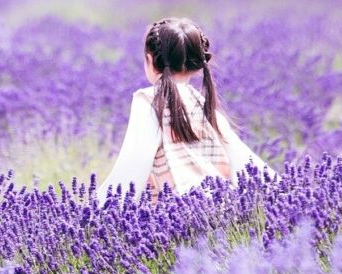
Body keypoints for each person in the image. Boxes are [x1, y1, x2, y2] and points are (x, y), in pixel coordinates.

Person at [96, 17, 275, 204]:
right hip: (222, 214)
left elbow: (130, 172)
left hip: (177, 221)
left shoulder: (150, 102)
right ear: (197, 65)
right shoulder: (202, 105)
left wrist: (92, 213)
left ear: (149, 60)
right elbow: (249, 166)